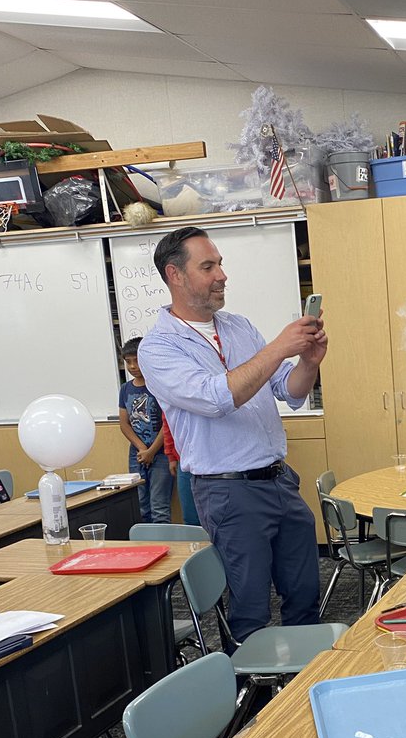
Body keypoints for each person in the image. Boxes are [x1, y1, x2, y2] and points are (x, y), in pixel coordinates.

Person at [138, 226, 327, 641]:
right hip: (228, 492)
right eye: (208, 266)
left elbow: (288, 391)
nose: (222, 275)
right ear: (175, 275)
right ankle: (253, 700)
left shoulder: (239, 326)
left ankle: (303, 688)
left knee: (304, 596)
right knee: (250, 608)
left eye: (220, 263)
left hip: (279, 480)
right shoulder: (157, 348)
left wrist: (309, 363)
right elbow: (216, 398)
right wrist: (279, 346)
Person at [118, 337, 172, 523]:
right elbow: (124, 424)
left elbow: (169, 423)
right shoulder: (125, 389)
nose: (133, 366)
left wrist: (151, 451)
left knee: (160, 506)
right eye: (128, 362)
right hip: (137, 454)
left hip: (161, 454)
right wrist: (142, 449)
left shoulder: (159, 386)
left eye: (137, 361)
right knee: (140, 504)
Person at [161, 413, 200, 527]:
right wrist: (171, 456)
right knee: (190, 517)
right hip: (184, 461)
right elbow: (168, 422)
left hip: (212, 463)